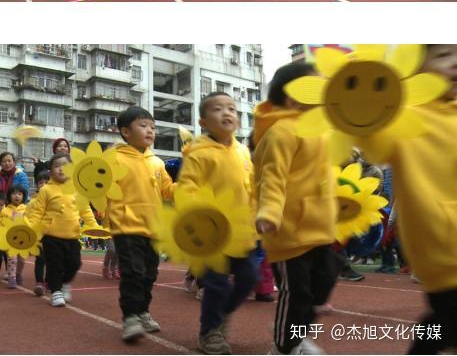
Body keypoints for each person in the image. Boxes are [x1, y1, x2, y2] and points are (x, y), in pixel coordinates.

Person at [355, 45, 457, 355]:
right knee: (447, 321)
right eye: (443, 55)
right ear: (417, 69)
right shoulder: (407, 117)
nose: (454, 63)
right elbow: (374, 146)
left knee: (444, 324)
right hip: (442, 249)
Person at [253, 62, 337, 355]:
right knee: (297, 292)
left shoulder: (323, 132)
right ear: (293, 98)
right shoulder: (282, 131)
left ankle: (297, 336)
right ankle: (282, 348)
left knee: (323, 285)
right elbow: (273, 176)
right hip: (289, 230)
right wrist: (269, 212)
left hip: (320, 228)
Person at [176, 92, 257, 355]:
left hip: (242, 233)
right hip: (211, 234)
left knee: (248, 279)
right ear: (203, 122)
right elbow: (187, 187)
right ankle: (209, 332)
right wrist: (194, 214)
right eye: (218, 109)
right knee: (217, 284)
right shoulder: (199, 153)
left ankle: (222, 315)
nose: (227, 113)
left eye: (232, 109)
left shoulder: (243, 151)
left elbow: (252, 190)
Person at [104, 106, 174, 342]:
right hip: (126, 226)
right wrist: (103, 215)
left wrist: (190, 186)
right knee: (133, 272)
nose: (150, 131)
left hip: (153, 228)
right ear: (125, 131)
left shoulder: (157, 163)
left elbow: (168, 191)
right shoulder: (114, 158)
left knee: (149, 274)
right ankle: (130, 317)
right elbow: (99, 188)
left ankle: (143, 311)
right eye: (143, 126)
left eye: (153, 127)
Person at [26, 152, 101, 307]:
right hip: (51, 235)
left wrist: (93, 225)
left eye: (65, 166)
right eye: (56, 166)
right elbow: (38, 212)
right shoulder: (46, 190)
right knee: (54, 265)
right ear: (50, 170)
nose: (61, 169)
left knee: (75, 263)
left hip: (73, 235)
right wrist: (30, 228)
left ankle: (65, 283)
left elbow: (85, 210)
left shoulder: (77, 189)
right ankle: (56, 292)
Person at [25, 170, 50, 296]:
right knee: (40, 259)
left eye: (47, 182)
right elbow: (28, 218)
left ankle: (48, 282)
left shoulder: (55, 200)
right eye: (41, 182)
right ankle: (39, 283)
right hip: (39, 236)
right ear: (37, 185)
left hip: (52, 234)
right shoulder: (32, 202)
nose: (44, 185)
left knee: (52, 259)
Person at [1, 185, 27, 288]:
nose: (17, 196)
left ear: (23, 196)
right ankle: (12, 277)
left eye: (20, 194)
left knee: (22, 260)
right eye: (14, 193)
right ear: (9, 196)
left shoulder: (26, 209)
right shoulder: (5, 210)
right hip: (10, 239)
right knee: (12, 258)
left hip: (23, 239)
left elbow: (30, 222)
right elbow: (1, 223)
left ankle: (18, 274)